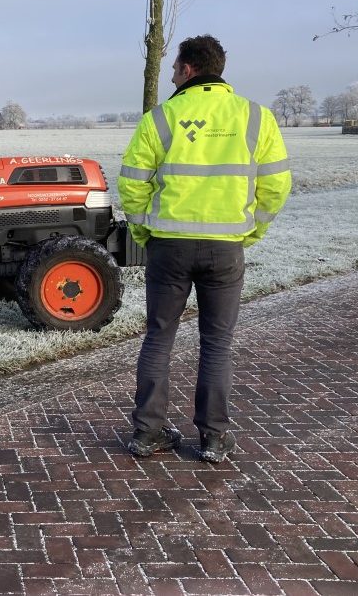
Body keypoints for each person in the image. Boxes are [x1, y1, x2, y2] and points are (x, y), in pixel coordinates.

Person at [118, 35, 291, 464]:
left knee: (159, 337)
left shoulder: (161, 117)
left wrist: (144, 232)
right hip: (225, 249)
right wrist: (250, 231)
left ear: (188, 69)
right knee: (217, 342)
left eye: (174, 67)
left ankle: (148, 432)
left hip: (169, 247)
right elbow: (277, 186)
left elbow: (132, 182)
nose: (171, 75)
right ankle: (214, 438)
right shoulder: (255, 117)